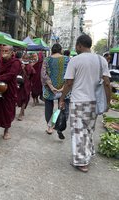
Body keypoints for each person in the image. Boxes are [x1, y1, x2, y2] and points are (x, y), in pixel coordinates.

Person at [59, 34, 111, 173]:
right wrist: (108, 102)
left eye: (77, 45)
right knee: (88, 129)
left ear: (80, 45)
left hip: (79, 101)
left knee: (78, 131)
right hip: (94, 102)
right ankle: (88, 153)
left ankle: (82, 162)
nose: (76, 47)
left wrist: (62, 98)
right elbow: (107, 82)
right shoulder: (101, 60)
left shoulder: (75, 61)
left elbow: (69, 82)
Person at [0, 45, 20, 140]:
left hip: (9, 89)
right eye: (2, 51)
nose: (4, 53)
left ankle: (6, 132)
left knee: (8, 110)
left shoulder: (16, 62)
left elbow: (12, 74)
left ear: (11, 52)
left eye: (6, 51)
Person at [41, 43, 70, 139]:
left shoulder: (47, 59)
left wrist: (51, 86)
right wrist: (63, 87)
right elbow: (70, 75)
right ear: (61, 50)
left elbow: (44, 74)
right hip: (64, 89)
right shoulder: (67, 59)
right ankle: (59, 127)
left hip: (50, 89)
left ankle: (50, 127)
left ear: (52, 50)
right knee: (62, 108)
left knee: (49, 107)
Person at [16, 52, 34, 121]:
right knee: (19, 98)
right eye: (24, 58)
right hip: (19, 84)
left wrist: (24, 69)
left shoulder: (29, 66)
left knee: (24, 99)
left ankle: (20, 114)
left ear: (29, 59)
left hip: (26, 85)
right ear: (22, 58)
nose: (25, 59)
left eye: (27, 58)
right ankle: (22, 111)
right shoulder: (19, 65)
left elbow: (31, 75)